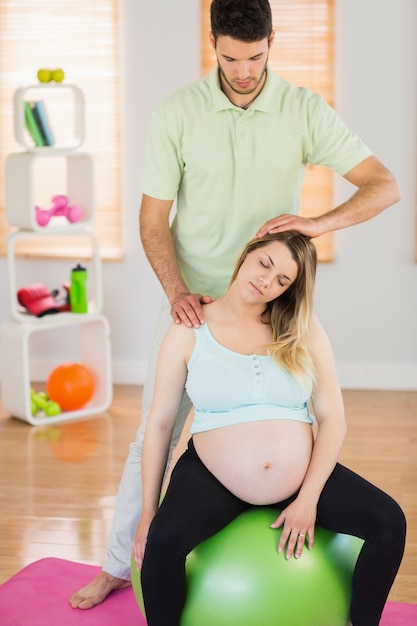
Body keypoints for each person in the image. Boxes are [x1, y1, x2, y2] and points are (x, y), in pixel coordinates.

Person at [70, 0, 401, 609]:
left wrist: (315, 222)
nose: (243, 71)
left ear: (272, 41)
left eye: (254, 57)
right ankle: (120, 564)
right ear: (212, 42)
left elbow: (385, 185)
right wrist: (176, 295)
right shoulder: (178, 113)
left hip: (272, 306)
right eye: (229, 57)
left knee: (302, 416)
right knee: (153, 439)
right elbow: (152, 220)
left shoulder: (303, 110)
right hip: (195, 309)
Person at [132, 231, 406, 626]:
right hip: (212, 476)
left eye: (283, 280)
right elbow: (159, 425)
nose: (267, 280)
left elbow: (333, 419)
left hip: (301, 477)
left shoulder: (302, 327)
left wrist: (308, 498)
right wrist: (147, 513)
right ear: (247, 255)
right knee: (162, 544)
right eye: (265, 264)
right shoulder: (189, 328)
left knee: (388, 523)